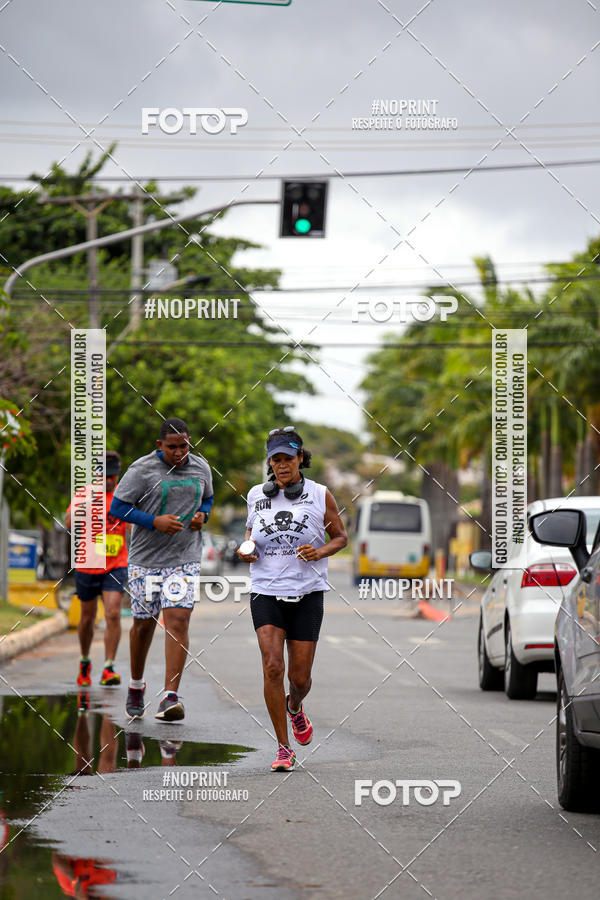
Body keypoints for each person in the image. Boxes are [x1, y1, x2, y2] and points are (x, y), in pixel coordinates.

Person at [238, 426, 347, 771]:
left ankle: (295, 706)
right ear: (270, 463)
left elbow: (341, 537)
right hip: (265, 590)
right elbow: (249, 537)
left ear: (301, 458)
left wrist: (319, 552)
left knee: (299, 679)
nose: (282, 465)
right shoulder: (257, 494)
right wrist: (247, 550)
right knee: (273, 667)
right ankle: (284, 747)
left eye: (288, 458)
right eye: (276, 460)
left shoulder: (319, 495)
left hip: (308, 593)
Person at [110, 417, 214, 722]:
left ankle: (170, 696)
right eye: (172, 447)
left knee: (178, 620)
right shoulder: (141, 470)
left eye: (184, 445)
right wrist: (153, 521)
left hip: (185, 557)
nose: (179, 452)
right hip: (145, 560)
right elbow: (117, 508)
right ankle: (136, 686)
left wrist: (202, 516)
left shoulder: (201, 467)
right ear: (160, 446)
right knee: (143, 625)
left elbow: (207, 498)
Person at [65, 451, 128, 687]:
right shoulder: (85, 493)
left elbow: (134, 528)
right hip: (88, 564)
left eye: (114, 476)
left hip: (117, 563)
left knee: (112, 613)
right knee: (87, 618)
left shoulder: (124, 495)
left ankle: (108, 667)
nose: (110, 481)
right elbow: (69, 522)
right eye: (106, 476)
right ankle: (85, 661)